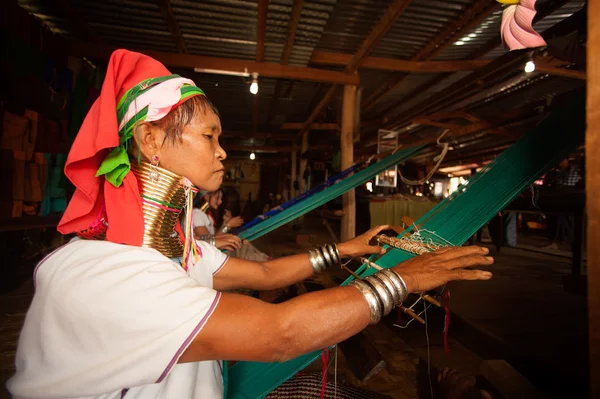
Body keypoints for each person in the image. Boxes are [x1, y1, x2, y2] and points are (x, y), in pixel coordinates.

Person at [7, 50, 494, 399]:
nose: (221, 151)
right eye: (209, 135)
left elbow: (263, 276)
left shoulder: (178, 249)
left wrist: (346, 249)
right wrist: (406, 277)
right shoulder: (111, 272)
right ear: (151, 139)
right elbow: (280, 334)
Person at [194, 189, 269, 262]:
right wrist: (228, 225)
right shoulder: (197, 214)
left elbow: (215, 235)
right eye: (217, 198)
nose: (220, 201)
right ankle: (266, 261)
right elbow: (207, 241)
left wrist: (225, 222)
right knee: (239, 246)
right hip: (206, 255)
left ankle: (265, 259)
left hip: (212, 250)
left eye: (221, 198)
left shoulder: (206, 215)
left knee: (240, 241)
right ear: (206, 196)